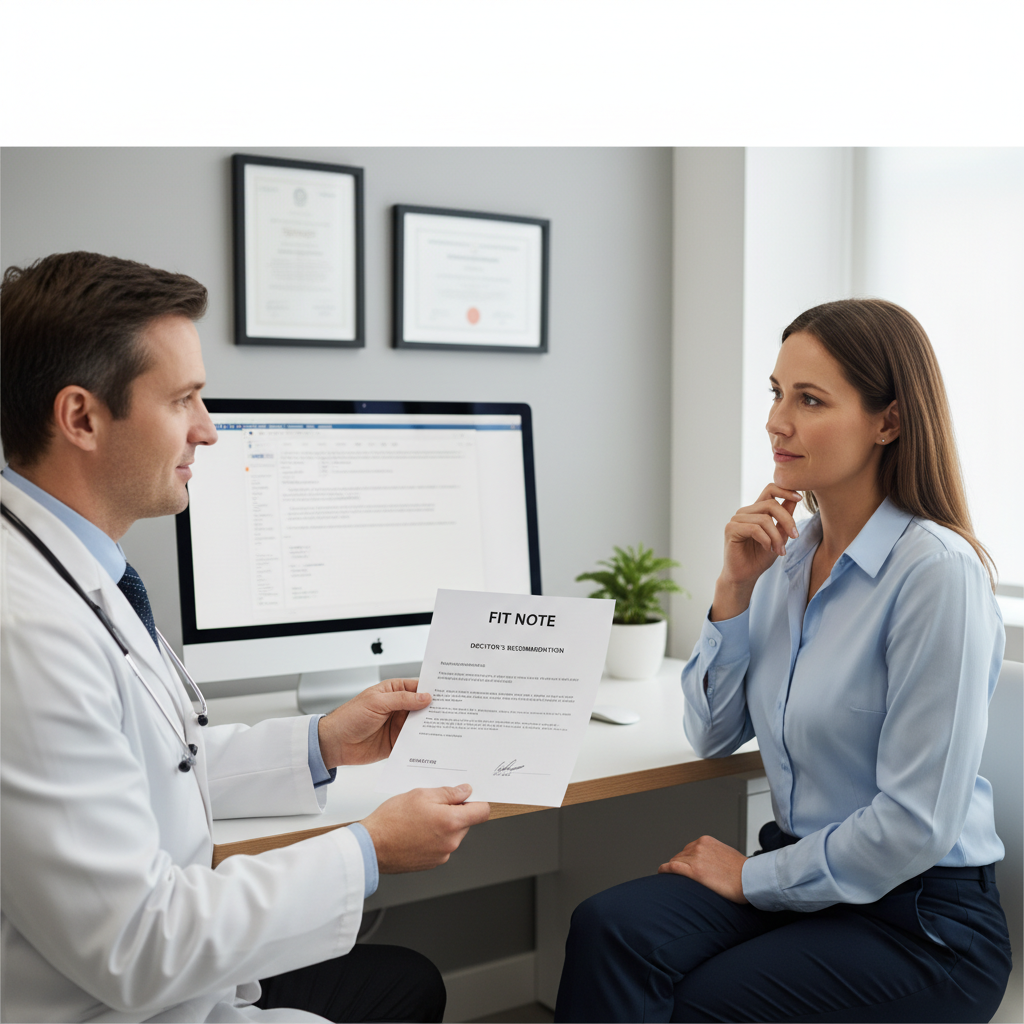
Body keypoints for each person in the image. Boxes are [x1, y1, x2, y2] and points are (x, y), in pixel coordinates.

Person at [0, 251, 491, 1024]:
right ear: (81, 418)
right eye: (183, 400)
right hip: (124, 1001)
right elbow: (139, 944)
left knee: (407, 983)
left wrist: (321, 743)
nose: (209, 430)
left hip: (171, 984)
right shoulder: (25, 635)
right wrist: (366, 850)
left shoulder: (70, 569)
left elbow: (155, 763)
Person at [555, 299, 1012, 1023]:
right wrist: (733, 591)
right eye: (776, 392)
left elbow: (916, 825)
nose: (777, 421)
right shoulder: (787, 558)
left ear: (888, 422)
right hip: (808, 878)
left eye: (809, 399)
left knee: (700, 1005)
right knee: (607, 929)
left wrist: (754, 878)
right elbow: (712, 734)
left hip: (922, 919)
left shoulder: (936, 573)